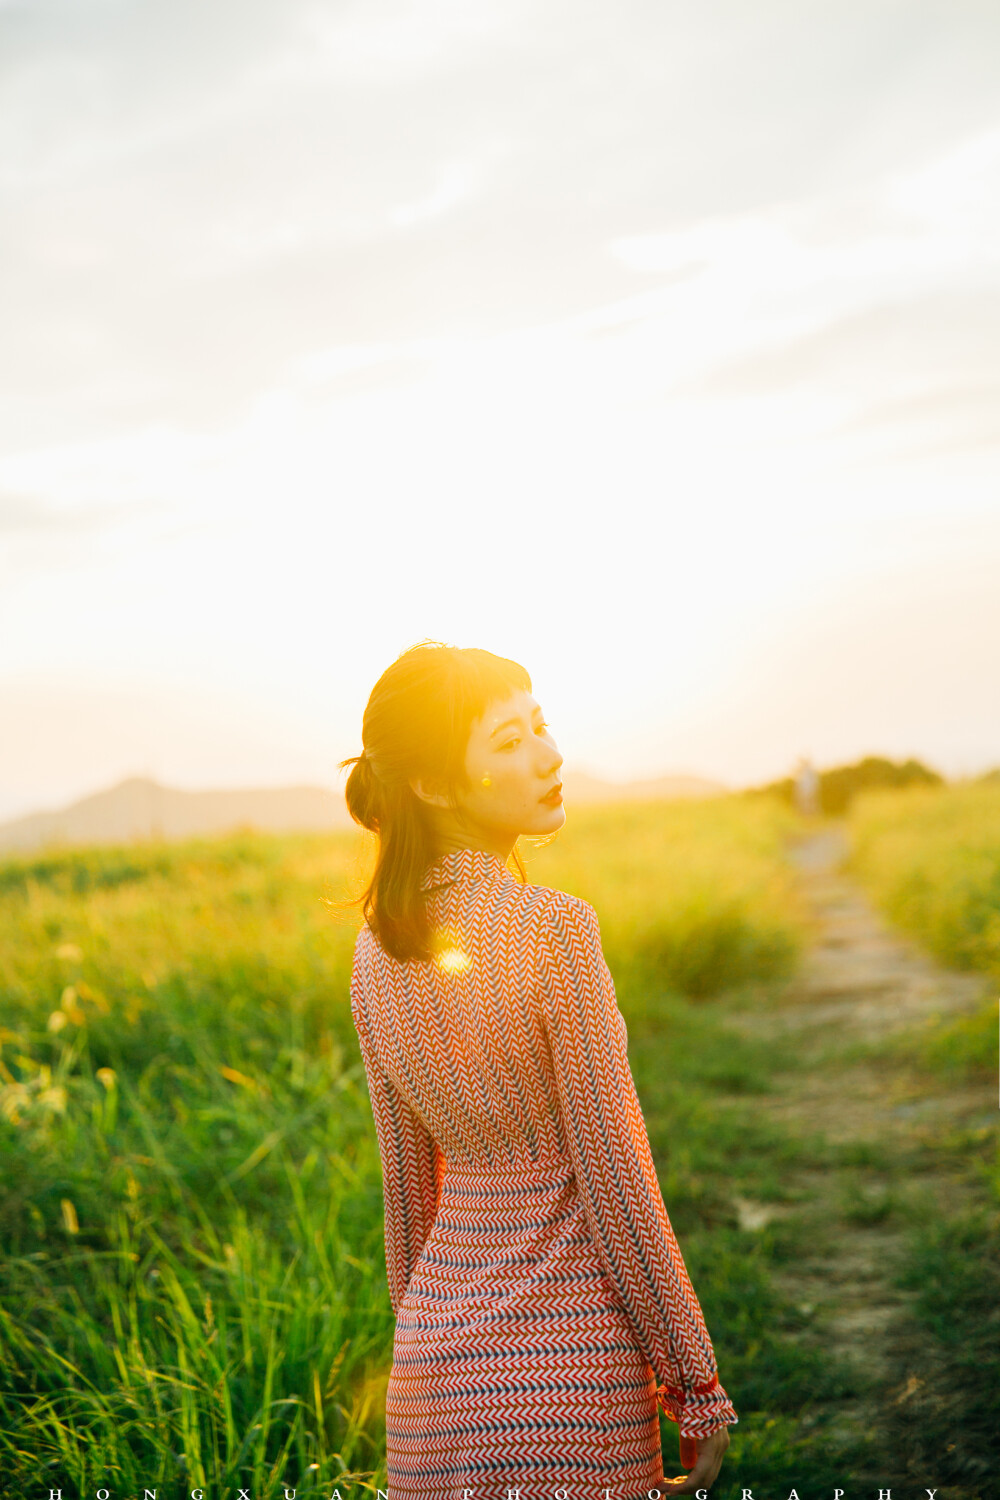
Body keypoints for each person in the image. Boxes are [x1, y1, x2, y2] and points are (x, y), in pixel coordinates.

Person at [341, 640, 738, 1499]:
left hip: (433, 1380)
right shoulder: (554, 928)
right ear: (437, 785)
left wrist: (420, 1346)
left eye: (541, 727)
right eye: (510, 742)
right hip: (570, 1372)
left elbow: (407, 1196)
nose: (550, 757)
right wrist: (696, 1387)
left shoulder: (371, 959)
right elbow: (614, 1172)